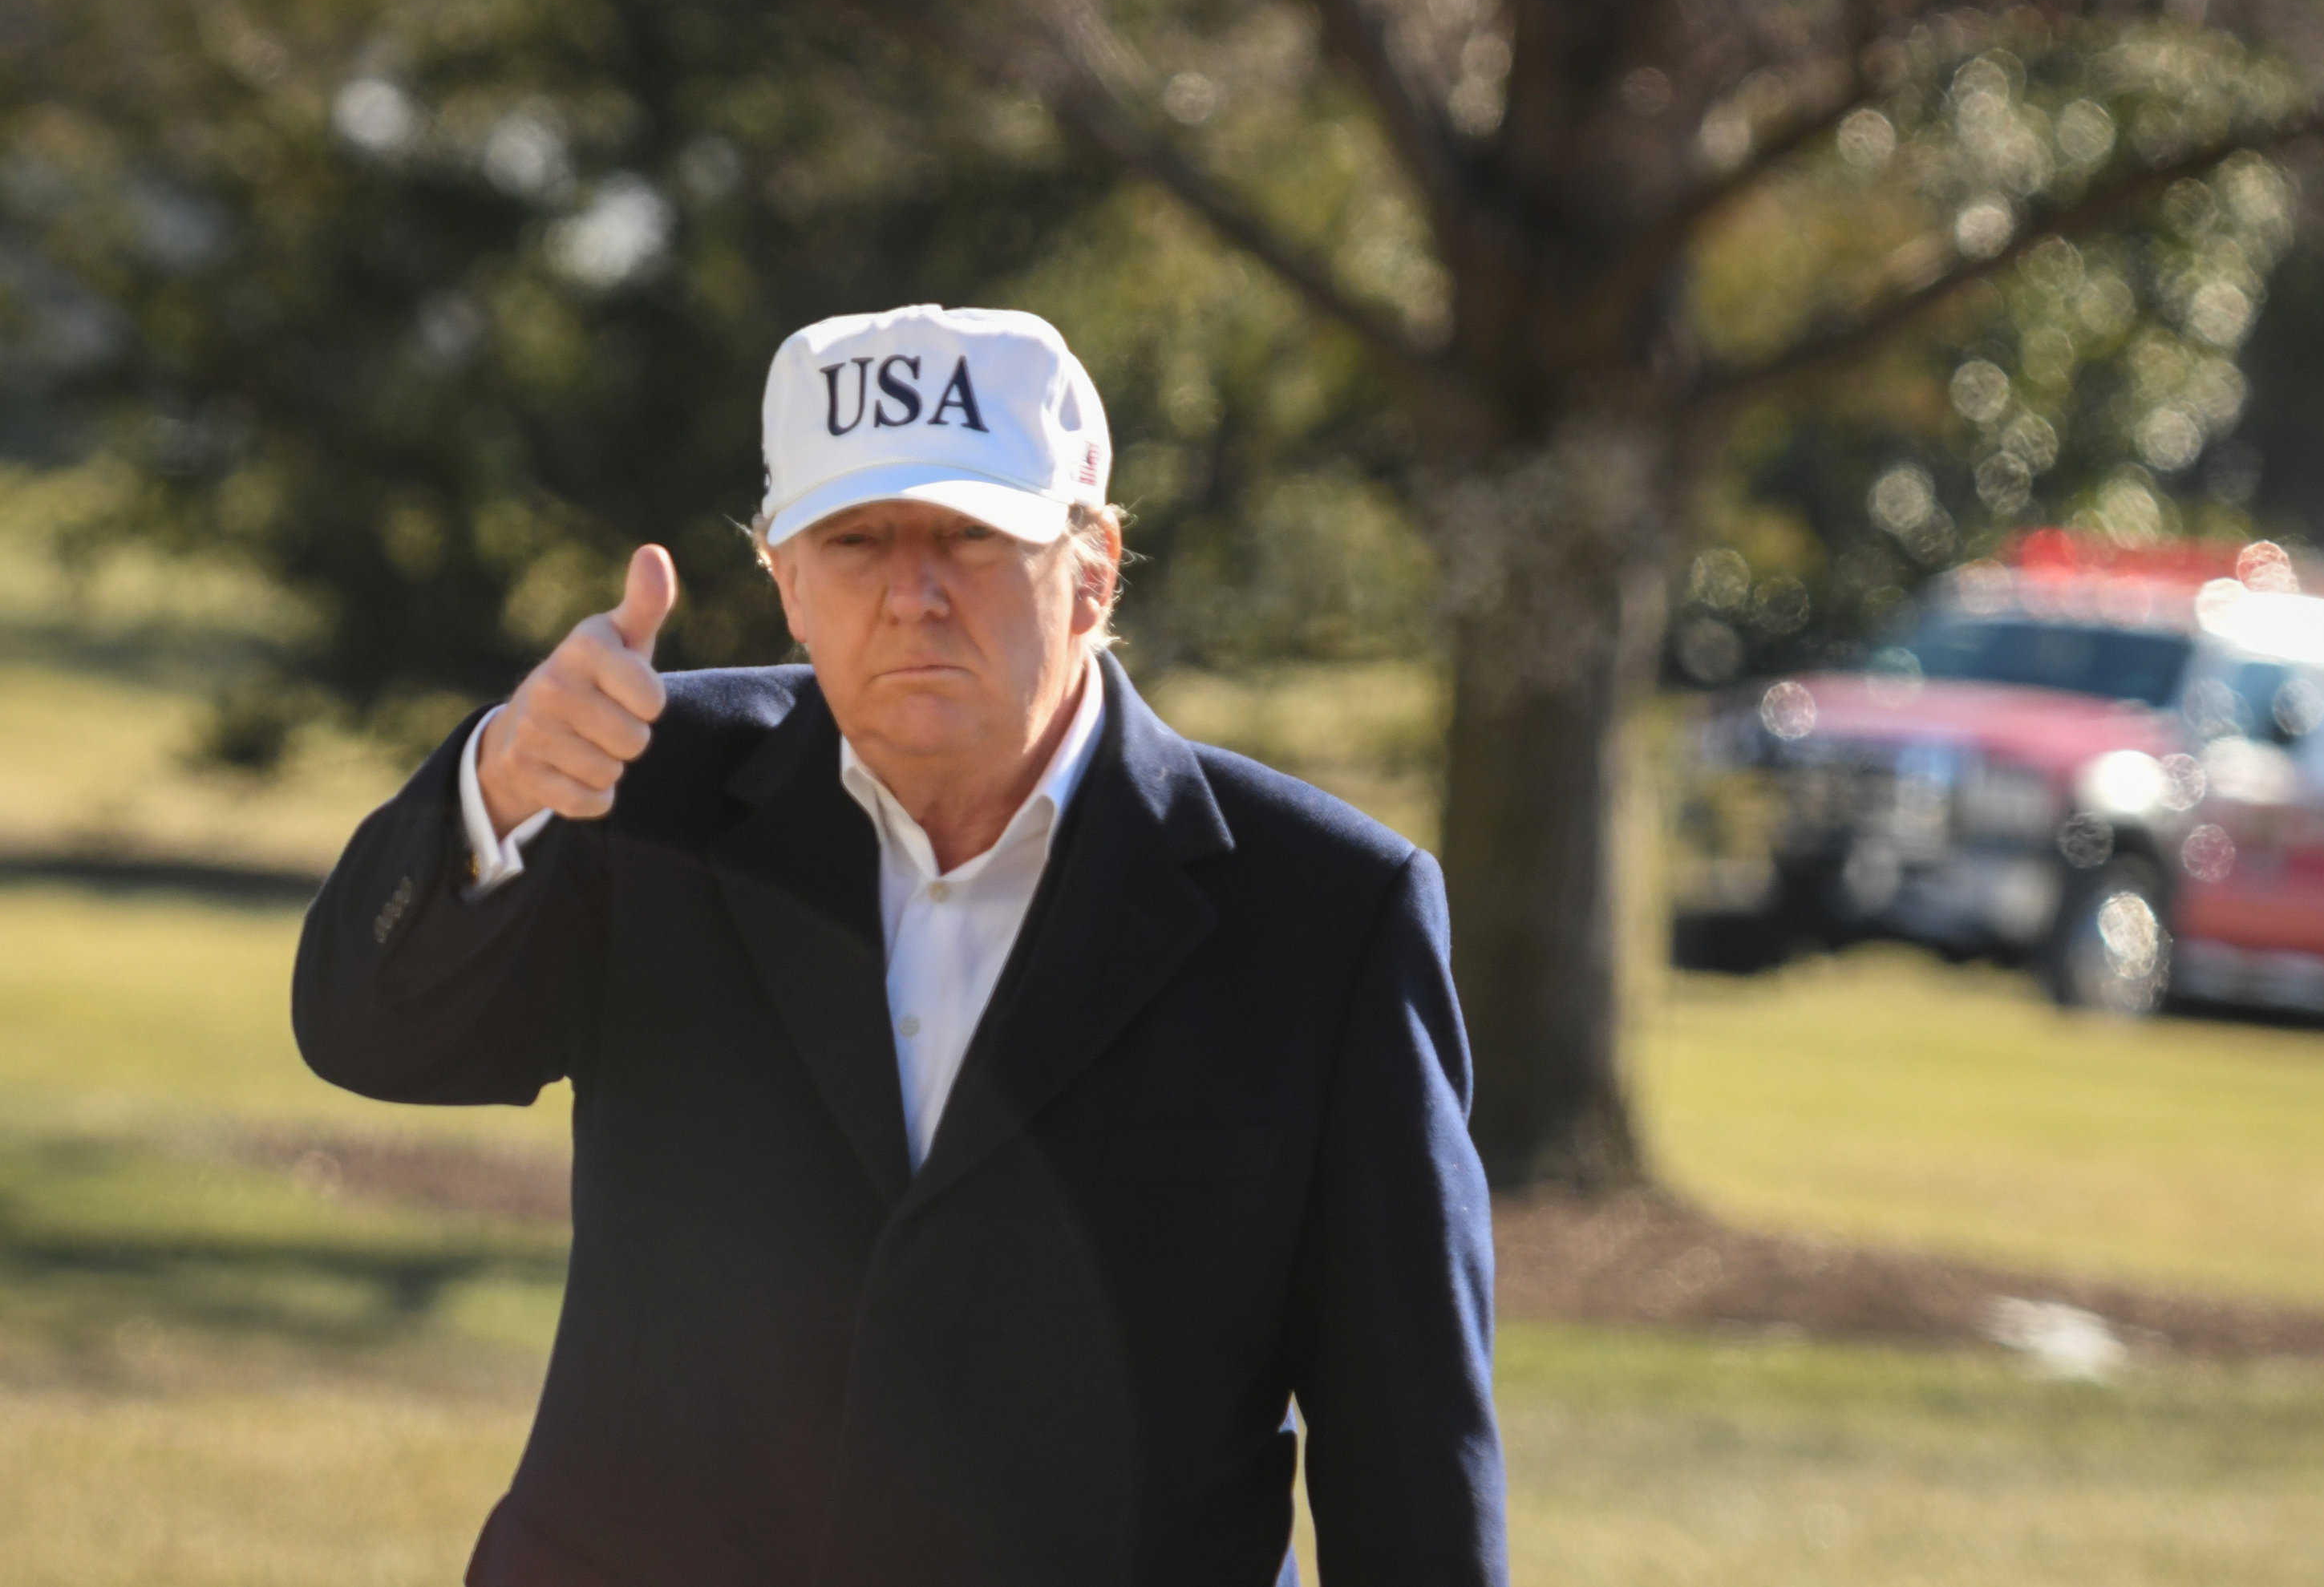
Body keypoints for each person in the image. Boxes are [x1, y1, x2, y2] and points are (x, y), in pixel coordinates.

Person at [294, 304, 1507, 1586]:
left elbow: (1411, 1453)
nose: (913, 594)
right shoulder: (635, 790)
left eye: (973, 537)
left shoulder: (1326, 911)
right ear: (784, 580)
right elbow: (371, 1033)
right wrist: (496, 789)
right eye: (857, 540)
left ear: (1093, 566)